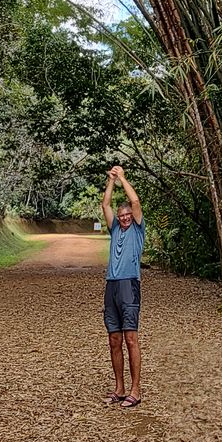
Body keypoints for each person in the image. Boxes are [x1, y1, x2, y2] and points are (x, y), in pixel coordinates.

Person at [101, 165, 145, 408]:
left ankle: (135, 390)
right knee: (114, 339)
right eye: (122, 215)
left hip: (129, 285)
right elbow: (105, 205)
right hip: (112, 286)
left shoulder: (137, 229)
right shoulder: (115, 228)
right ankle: (119, 388)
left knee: (131, 338)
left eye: (128, 215)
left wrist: (123, 178)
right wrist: (110, 180)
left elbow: (135, 201)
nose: (125, 217)